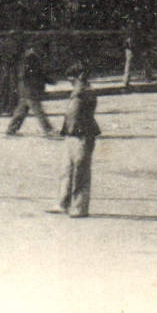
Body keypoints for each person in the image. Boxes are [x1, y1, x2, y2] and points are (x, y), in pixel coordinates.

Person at [58, 63, 101, 218]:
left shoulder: (85, 92)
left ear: (81, 76)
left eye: (73, 78)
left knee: (80, 173)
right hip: (71, 135)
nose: (71, 81)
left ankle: (79, 207)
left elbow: (77, 115)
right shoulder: (78, 91)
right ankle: (64, 203)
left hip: (82, 135)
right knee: (67, 171)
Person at [6, 41, 55, 137]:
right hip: (30, 88)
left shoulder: (30, 56)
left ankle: (11, 129)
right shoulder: (31, 57)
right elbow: (31, 73)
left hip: (26, 88)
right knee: (38, 111)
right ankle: (48, 130)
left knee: (21, 110)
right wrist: (46, 80)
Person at [0, 30, 23, 117]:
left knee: (1, 89)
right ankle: (10, 109)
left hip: (3, 69)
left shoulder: (3, 43)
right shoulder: (15, 44)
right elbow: (17, 57)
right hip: (11, 69)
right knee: (11, 89)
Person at [122, 23, 155, 90]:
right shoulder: (133, 31)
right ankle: (127, 80)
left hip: (135, 45)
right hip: (134, 46)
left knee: (132, 63)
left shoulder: (131, 30)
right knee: (134, 62)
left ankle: (127, 80)